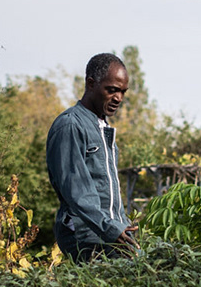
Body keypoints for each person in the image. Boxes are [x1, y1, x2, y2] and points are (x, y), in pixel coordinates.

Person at [46, 53, 138, 262]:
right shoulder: (70, 125)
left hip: (112, 233)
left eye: (123, 92)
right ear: (91, 84)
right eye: (112, 90)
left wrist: (121, 226)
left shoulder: (101, 127)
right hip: (87, 236)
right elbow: (76, 190)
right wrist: (110, 228)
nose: (119, 98)